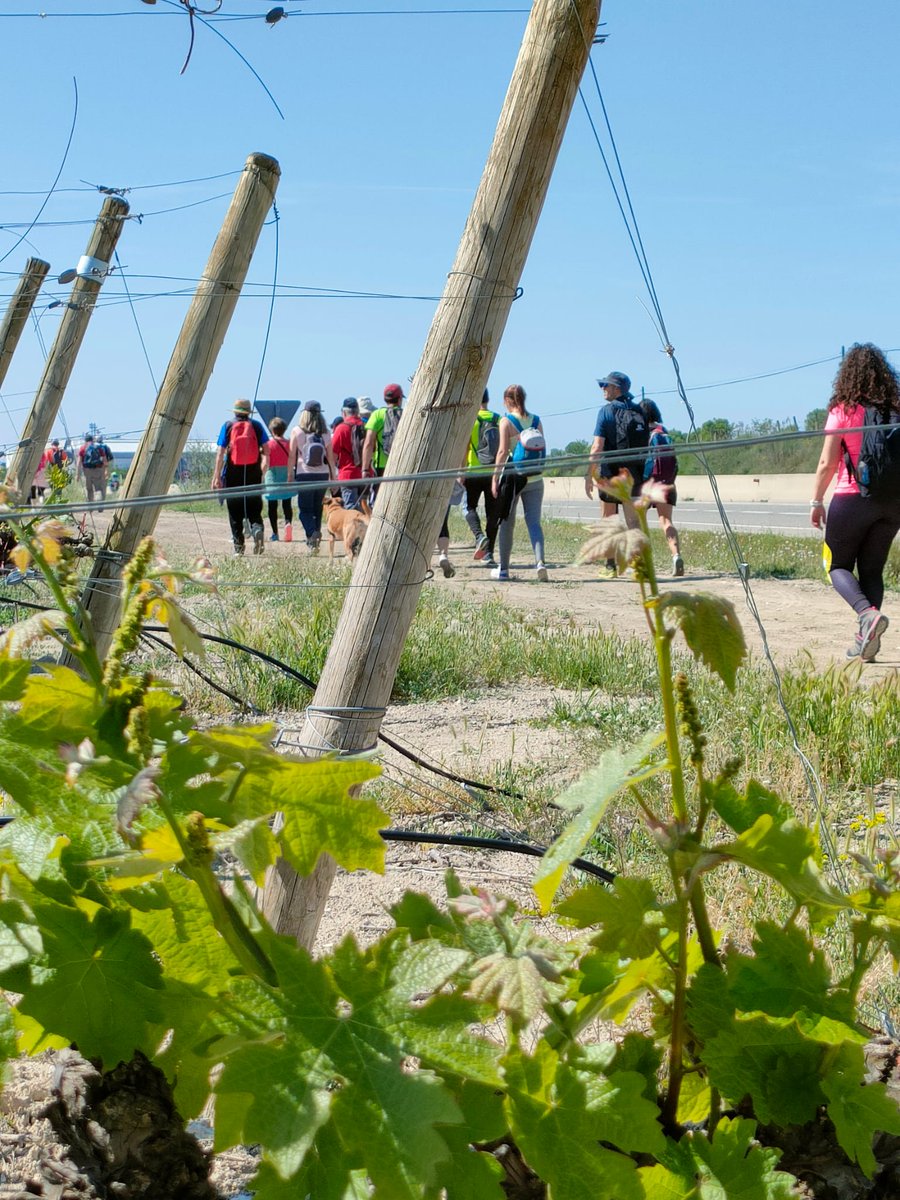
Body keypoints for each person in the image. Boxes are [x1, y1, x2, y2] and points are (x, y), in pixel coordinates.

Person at [810, 342, 900, 661]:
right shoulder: (896, 410)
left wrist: (816, 501)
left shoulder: (843, 411)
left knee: (836, 566)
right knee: (872, 570)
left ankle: (866, 614)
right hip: (893, 502)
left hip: (853, 498)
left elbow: (827, 464)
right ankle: (866, 641)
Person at [584, 372, 649, 578]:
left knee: (609, 519)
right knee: (633, 522)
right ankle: (639, 567)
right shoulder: (640, 410)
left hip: (610, 473)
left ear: (617, 389)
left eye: (606, 385)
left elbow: (597, 446)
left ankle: (610, 566)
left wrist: (588, 474)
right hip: (633, 473)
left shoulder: (606, 411)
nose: (603, 388)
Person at [490, 384, 548, 583]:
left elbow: (502, 452)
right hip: (536, 478)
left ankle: (504, 570)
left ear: (507, 401)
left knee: (507, 522)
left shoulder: (506, 421)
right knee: (534, 523)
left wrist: (495, 478)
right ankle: (540, 563)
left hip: (514, 479)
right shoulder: (536, 420)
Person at [212, 398, 270, 556]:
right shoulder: (256, 426)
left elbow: (220, 453)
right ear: (249, 412)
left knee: (234, 511)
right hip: (254, 472)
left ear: (235, 411)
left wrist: (216, 476)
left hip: (233, 473)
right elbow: (267, 451)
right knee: (254, 508)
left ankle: (239, 547)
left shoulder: (228, 425)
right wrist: (263, 470)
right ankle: (257, 529)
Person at [641, 398, 684, 576]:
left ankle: (644, 561)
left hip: (647, 483)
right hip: (667, 481)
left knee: (639, 521)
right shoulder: (663, 431)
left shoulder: (642, 433)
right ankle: (676, 555)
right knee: (666, 521)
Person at [288, 401, 337, 550]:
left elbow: (292, 456)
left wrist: (290, 476)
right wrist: (333, 478)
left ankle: (312, 533)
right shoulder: (326, 433)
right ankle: (314, 542)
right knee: (317, 509)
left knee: (304, 510)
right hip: (322, 475)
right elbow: (330, 458)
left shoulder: (297, 431)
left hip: (304, 475)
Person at [462, 389, 502, 568]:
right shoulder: (498, 419)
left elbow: (464, 448)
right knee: (492, 514)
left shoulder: (470, 420)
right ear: (488, 399)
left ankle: (479, 536)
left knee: (468, 506)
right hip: (493, 473)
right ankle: (489, 554)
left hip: (473, 471)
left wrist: (461, 471)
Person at [362, 383, 404, 501]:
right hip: (401, 464)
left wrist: (365, 469)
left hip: (380, 465)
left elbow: (369, 443)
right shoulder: (405, 414)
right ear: (399, 399)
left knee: (378, 501)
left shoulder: (377, 414)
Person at [330, 397, 368, 511]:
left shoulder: (341, 428)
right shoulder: (366, 426)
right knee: (365, 509)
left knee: (351, 509)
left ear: (344, 412)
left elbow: (332, 455)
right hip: (365, 475)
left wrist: (332, 477)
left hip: (347, 475)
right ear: (357, 411)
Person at [264, 417, 294, 541]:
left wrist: (261, 474)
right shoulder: (289, 444)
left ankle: (275, 533)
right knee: (287, 503)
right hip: (286, 474)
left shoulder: (268, 444)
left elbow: (266, 463)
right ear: (284, 429)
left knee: (272, 506)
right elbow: (292, 459)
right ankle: (288, 523)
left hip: (272, 475)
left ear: (272, 430)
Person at [77, 433, 114, 503]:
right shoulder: (98, 448)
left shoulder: (82, 448)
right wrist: (106, 470)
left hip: (87, 471)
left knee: (89, 489)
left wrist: (78, 474)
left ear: (85, 441)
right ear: (92, 440)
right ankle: (99, 502)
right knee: (98, 488)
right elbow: (105, 460)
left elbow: (79, 462)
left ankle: (90, 505)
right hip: (98, 470)